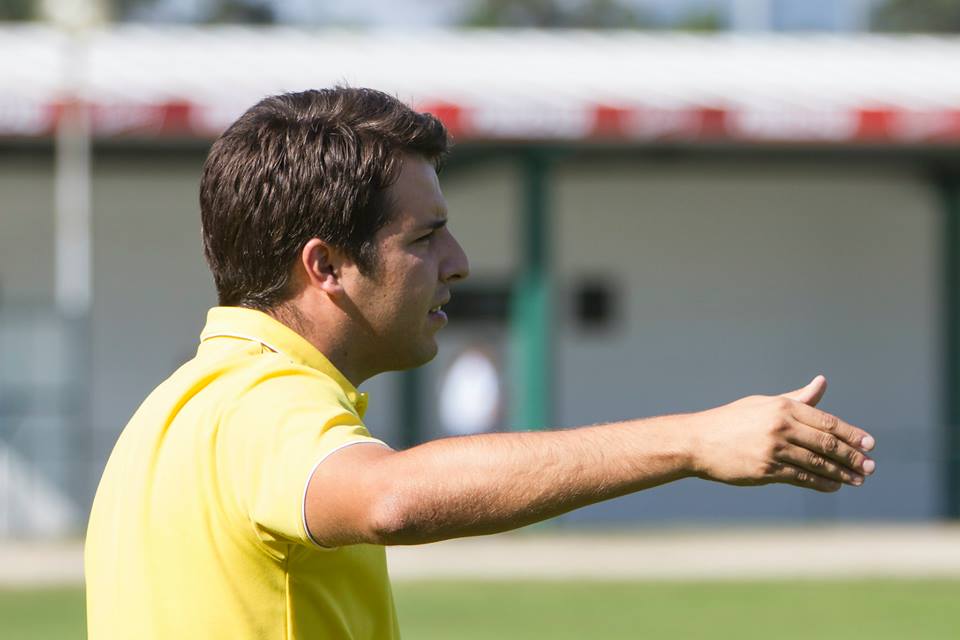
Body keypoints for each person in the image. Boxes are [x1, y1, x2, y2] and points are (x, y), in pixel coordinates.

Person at [84, 87, 877, 640]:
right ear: (325, 266)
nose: (458, 263)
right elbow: (390, 499)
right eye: (424, 237)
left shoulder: (173, 411)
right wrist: (694, 442)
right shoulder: (261, 402)